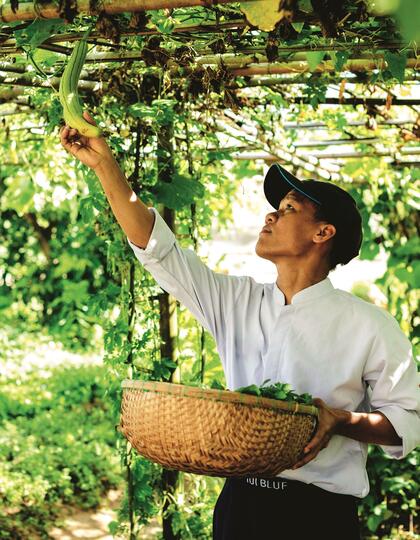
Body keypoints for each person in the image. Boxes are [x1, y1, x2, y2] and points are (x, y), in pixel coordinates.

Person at [60, 113, 420, 540]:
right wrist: (105, 166)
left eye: (288, 209)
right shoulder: (235, 301)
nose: (271, 217)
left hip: (320, 515)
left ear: (324, 233)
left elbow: (408, 419)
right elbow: (158, 250)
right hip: (240, 506)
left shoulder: (370, 325)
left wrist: (338, 420)